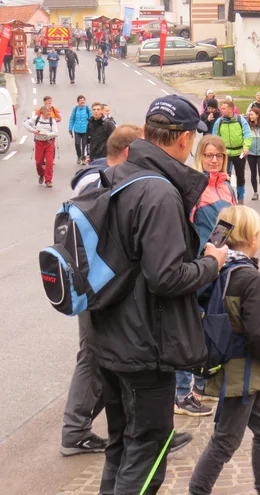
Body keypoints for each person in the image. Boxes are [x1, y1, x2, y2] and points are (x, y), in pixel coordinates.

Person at [88, 95, 227, 494]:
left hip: (109, 335)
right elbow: (166, 277)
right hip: (145, 347)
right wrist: (212, 262)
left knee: (121, 447)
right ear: (184, 139)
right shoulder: (159, 192)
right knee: (148, 451)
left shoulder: (117, 174)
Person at [61, 125, 144, 457]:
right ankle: (75, 431)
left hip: (89, 281)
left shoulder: (90, 177)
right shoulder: (105, 183)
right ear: (126, 153)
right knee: (94, 357)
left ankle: (131, 429)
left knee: (100, 356)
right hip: (101, 285)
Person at [189, 205, 260, 495]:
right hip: (242, 372)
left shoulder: (216, 266)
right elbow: (256, 332)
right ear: (253, 238)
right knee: (225, 440)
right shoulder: (249, 277)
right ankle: (197, 490)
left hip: (230, 365)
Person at [175, 135, 237, 416]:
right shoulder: (192, 188)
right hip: (196, 267)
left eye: (219, 155)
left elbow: (229, 226)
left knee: (211, 328)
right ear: (199, 156)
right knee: (189, 329)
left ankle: (201, 385)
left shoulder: (227, 187)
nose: (214, 160)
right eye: (209, 155)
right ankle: (180, 393)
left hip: (219, 267)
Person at [212, 101, 252, 204]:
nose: (221, 110)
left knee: (240, 177)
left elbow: (247, 135)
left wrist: (246, 147)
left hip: (239, 154)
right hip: (226, 154)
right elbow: (214, 137)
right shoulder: (219, 122)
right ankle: (227, 198)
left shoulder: (240, 120)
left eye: (224, 109)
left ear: (230, 110)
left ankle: (240, 198)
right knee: (225, 177)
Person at [23, 106, 58, 187]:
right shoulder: (36, 119)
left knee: (49, 162)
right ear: (42, 113)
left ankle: (48, 180)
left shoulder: (52, 121)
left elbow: (56, 133)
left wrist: (47, 134)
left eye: (50, 112)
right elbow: (25, 123)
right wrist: (33, 130)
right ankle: (41, 174)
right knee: (38, 162)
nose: (49, 114)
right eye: (47, 112)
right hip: (39, 143)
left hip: (49, 143)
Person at [69, 95, 92, 166]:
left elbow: (91, 119)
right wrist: (70, 128)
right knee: (77, 144)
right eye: (81, 100)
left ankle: (83, 158)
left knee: (84, 144)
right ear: (78, 102)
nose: (82, 101)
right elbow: (72, 119)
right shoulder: (75, 109)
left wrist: (92, 128)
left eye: (83, 100)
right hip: (77, 130)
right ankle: (79, 156)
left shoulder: (88, 109)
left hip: (85, 130)